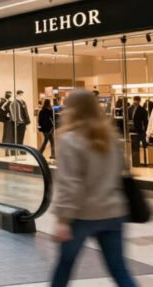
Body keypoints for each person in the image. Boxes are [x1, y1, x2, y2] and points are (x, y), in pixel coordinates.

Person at [51, 89, 135, 287]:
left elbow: (70, 183)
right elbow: (121, 171)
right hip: (113, 212)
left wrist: (63, 220)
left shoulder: (69, 139)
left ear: (71, 109)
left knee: (64, 266)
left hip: (82, 216)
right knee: (119, 269)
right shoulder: (112, 137)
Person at [129, 95, 149, 164]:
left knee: (138, 146)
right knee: (133, 146)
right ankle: (135, 162)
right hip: (130, 130)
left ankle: (140, 162)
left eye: (136, 100)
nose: (135, 102)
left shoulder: (143, 110)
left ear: (139, 101)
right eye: (134, 100)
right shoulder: (129, 108)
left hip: (139, 130)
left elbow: (145, 122)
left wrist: (145, 131)